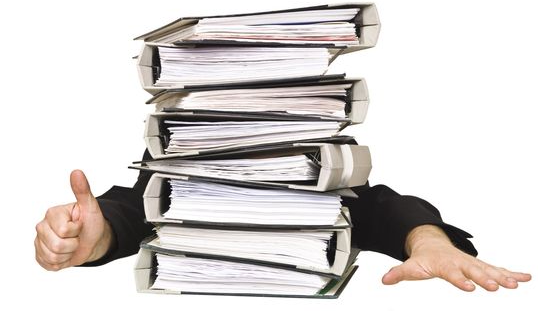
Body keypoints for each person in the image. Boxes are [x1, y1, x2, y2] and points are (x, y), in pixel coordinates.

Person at [34, 150, 531, 292]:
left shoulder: (313, 159)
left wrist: (430, 242)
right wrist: (94, 240)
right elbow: (136, 207)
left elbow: (376, 207)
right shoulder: (174, 162)